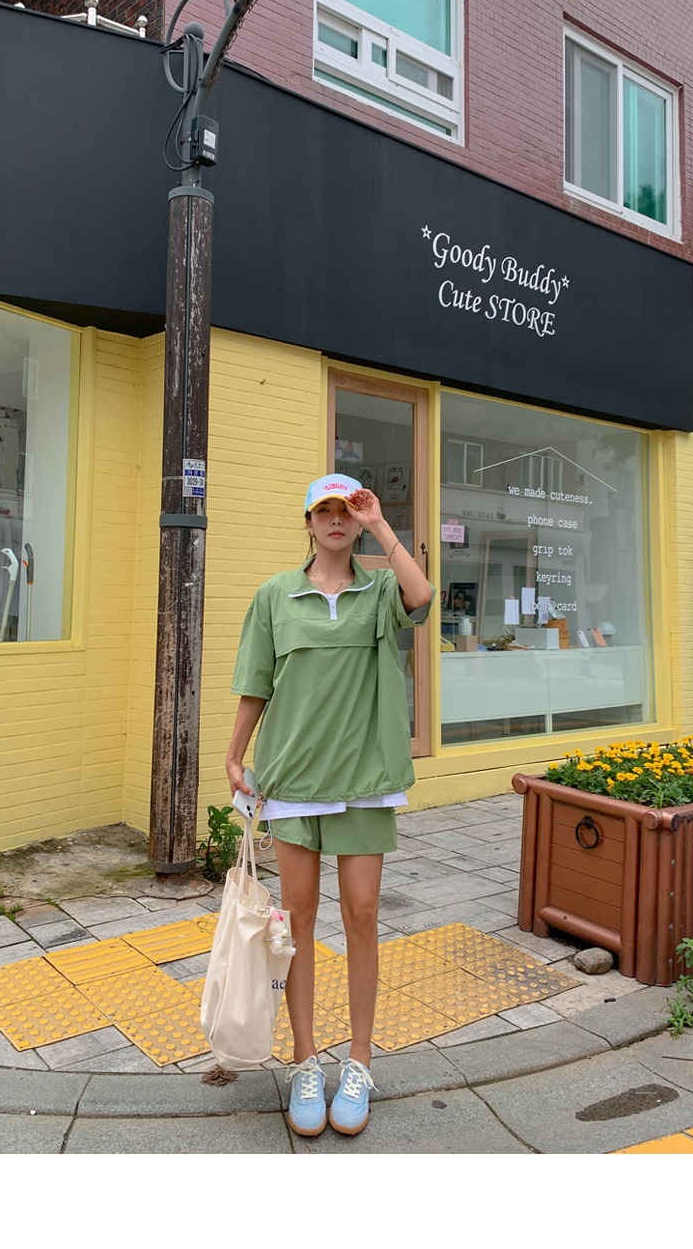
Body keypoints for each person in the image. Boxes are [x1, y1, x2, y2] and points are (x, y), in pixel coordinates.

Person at [225, 473, 434, 1137]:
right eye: (326, 511)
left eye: (348, 510)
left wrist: (382, 526)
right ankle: (307, 1059)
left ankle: (361, 1061)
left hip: (366, 777)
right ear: (309, 522)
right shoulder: (274, 596)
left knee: (363, 915)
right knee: (297, 923)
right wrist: (235, 754)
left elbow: (423, 595)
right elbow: (257, 682)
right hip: (292, 780)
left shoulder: (380, 592)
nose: (338, 519)